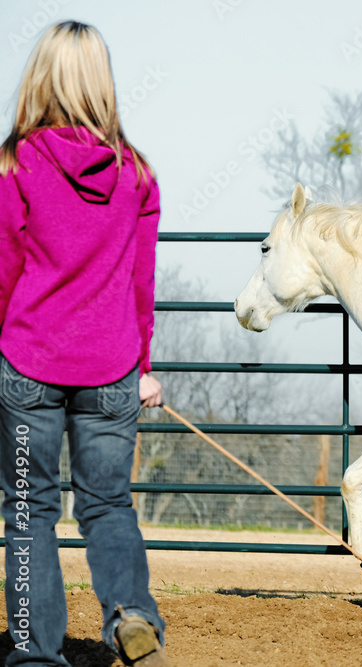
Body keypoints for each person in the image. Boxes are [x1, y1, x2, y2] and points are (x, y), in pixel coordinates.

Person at [0, 21, 171, 667]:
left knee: (29, 511)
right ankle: (130, 612)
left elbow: (3, 268)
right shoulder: (137, 173)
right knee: (106, 504)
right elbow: (140, 281)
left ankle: (35, 654)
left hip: (28, 367)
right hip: (110, 370)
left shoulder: (13, 164)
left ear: (39, 75)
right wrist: (143, 366)